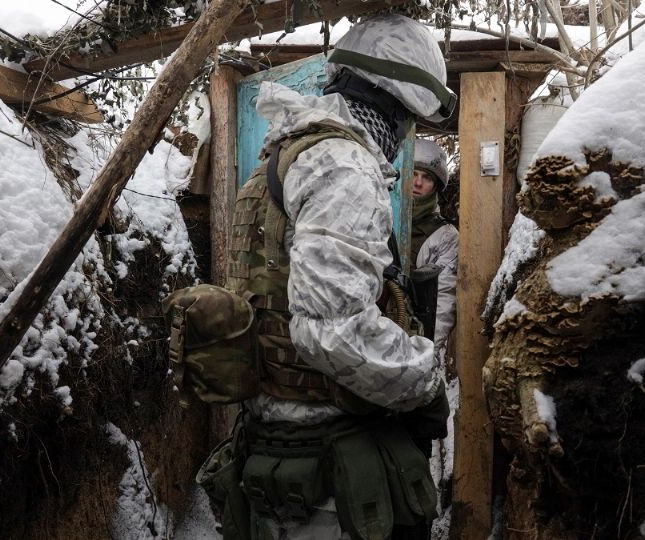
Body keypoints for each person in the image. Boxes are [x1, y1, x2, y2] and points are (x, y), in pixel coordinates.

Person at [196, 13, 457, 540]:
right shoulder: (342, 166)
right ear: (395, 105)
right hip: (325, 470)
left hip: (277, 444)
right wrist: (424, 380)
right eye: (409, 119)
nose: (405, 134)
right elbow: (331, 330)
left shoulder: (284, 153)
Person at [410, 139, 458, 365]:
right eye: (413, 173)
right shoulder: (379, 214)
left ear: (436, 186)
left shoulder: (445, 235)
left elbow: (442, 300)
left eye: (427, 177)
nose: (418, 183)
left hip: (410, 336)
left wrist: (424, 354)